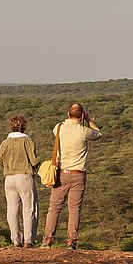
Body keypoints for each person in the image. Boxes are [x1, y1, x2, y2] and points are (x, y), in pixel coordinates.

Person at [43, 102, 103, 249]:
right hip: (78, 174)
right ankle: (71, 241)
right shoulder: (84, 131)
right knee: (74, 208)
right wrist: (89, 120)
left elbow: (57, 129)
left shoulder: (59, 128)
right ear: (82, 116)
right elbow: (98, 133)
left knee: (54, 207)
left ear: (68, 114)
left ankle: (48, 240)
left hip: (61, 173)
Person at [0, 114, 41, 247]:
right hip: (24, 177)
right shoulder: (27, 140)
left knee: (12, 210)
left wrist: (8, 167)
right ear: (24, 126)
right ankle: (28, 240)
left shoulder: (5, 142)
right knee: (29, 209)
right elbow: (33, 161)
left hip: (9, 178)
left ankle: (16, 240)